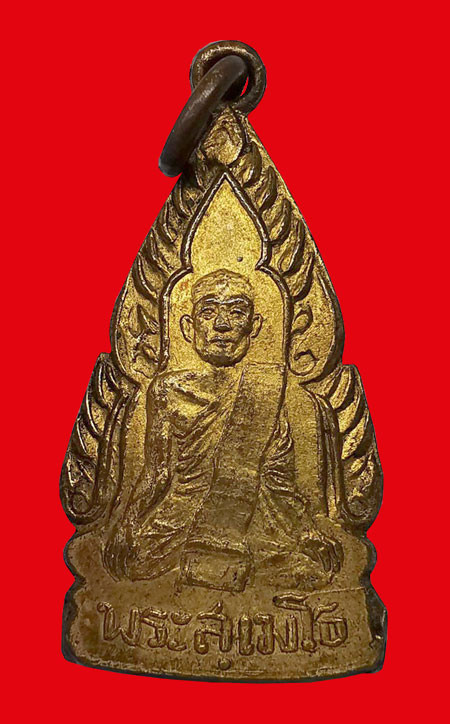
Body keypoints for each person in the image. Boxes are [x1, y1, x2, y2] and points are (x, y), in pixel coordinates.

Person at [104, 268, 342, 590]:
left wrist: (307, 531)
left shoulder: (265, 390)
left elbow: (279, 484)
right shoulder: (166, 390)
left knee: (313, 574)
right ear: (188, 327)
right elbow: (157, 473)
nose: (222, 325)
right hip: (181, 517)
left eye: (236, 312)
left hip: (251, 518)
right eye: (208, 312)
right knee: (130, 565)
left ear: (254, 326)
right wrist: (127, 523)